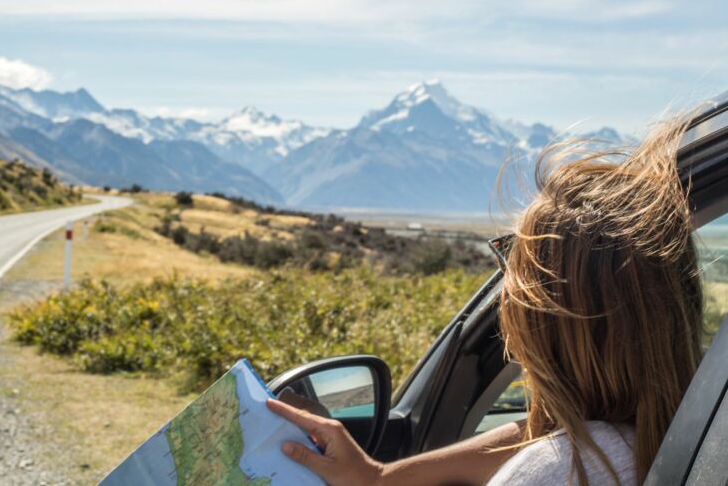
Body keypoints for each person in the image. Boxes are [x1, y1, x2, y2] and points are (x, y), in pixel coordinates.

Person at [267, 116, 704, 486]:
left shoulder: (556, 471)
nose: (506, 286)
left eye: (514, 261)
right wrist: (378, 478)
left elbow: (548, 451)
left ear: (545, 316)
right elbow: (542, 433)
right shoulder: (685, 431)